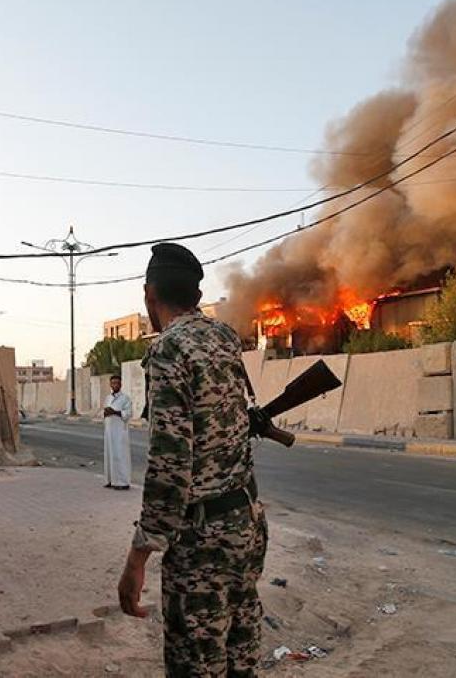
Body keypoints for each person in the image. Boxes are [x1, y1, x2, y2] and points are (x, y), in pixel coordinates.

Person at [117, 243, 267, 677]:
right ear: (197, 296)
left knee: (196, 662)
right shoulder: (223, 337)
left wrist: (137, 559)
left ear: (150, 295)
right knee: (241, 650)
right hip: (246, 522)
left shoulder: (168, 351)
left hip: (202, 542)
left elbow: (169, 466)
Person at [102, 374, 133, 490]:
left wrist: (115, 412)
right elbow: (104, 412)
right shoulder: (108, 398)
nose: (115, 385)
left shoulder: (125, 398)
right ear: (110, 384)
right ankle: (110, 480)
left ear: (121, 384)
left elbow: (128, 414)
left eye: (117, 383)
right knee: (110, 455)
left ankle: (122, 482)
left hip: (120, 432)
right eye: (113, 383)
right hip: (109, 431)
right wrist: (106, 412)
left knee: (120, 456)